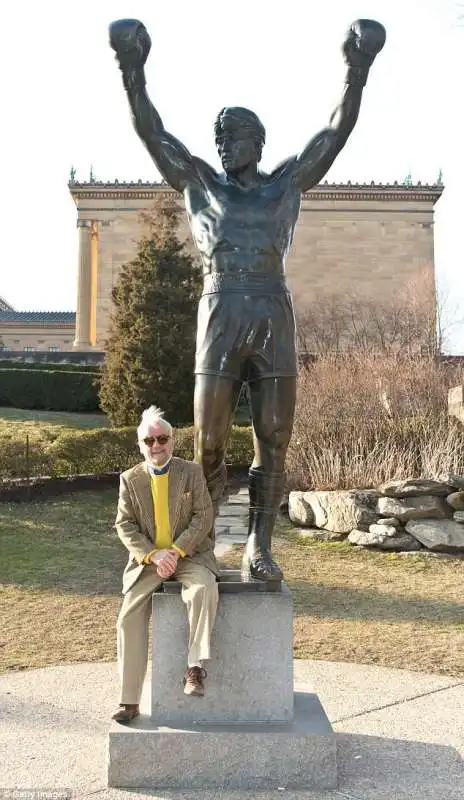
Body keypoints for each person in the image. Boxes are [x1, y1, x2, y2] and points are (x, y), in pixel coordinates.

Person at [109, 17, 386, 582]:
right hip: (220, 309)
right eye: (218, 138)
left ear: (256, 142)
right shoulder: (201, 186)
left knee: (274, 437)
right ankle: (209, 540)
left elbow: (333, 134)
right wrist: (132, 70)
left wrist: (357, 72)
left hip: (270, 310)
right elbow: (153, 133)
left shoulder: (286, 184)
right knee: (208, 439)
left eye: (232, 136)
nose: (222, 145)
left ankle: (260, 545)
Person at [112, 405, 219, 724]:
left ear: (172, 440)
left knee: (203, 590)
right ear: (140, 444)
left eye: (162, 438)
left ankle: (195, 668)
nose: (156, 446)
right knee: (127, 619)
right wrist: (154, 555)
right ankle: (129, 701)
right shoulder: (129, 479)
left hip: (190, 554)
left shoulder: (192, 472)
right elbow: (124, 524)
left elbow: (204, 516)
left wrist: (174, 551)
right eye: (149, 440)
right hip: (147, 561)